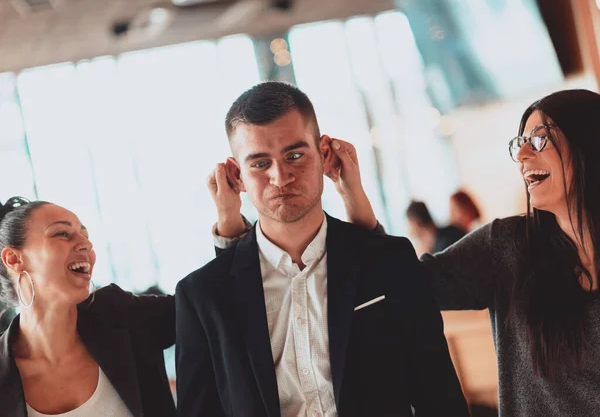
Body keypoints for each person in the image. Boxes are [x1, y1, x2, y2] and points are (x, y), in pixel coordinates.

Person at [215, 89, 600, 416]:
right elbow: (398, 290)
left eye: (539, 140)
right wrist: (353, 196)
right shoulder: (508, 246)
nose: (522, 156)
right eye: (521, 142)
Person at [176, 81, 469, 416]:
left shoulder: (389, 261)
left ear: (324, 154)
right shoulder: (201, 295)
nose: (280, 176)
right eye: (259, 163)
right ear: (236, 175)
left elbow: (440, 394)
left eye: (295, 155)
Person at [0, 197, 176, 417]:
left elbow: (202, 307)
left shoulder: (119, 314)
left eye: (86, 235)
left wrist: (226, 229)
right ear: (14, 259)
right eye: (62, 234)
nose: (86, 244)